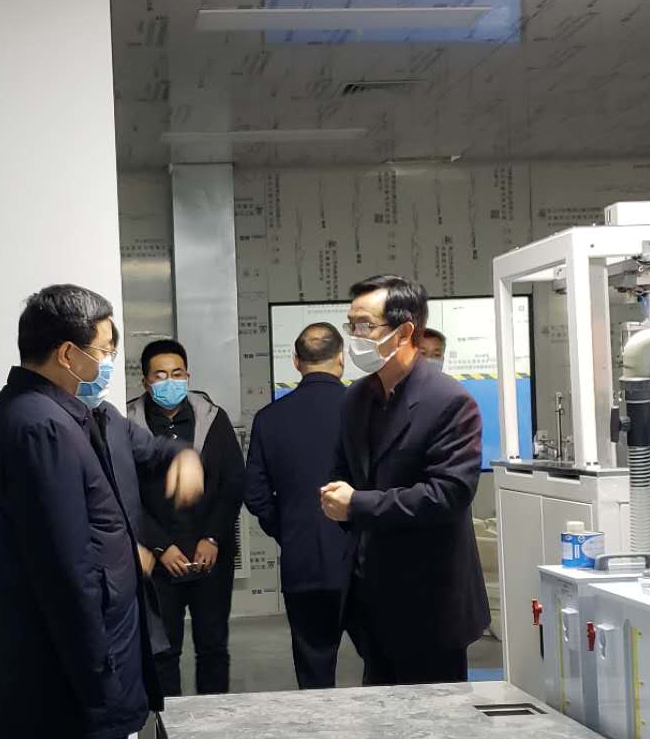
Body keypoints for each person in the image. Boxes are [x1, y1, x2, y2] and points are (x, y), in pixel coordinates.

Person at [0, 285, 202, 739]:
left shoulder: (74, 415)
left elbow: (145, 454)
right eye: (102, 350)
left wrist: (183, 454)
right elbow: (64, 567)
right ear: (67, 352)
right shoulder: (39, 426)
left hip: (86, 660)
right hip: (68, 671)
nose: (108, 363)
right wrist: (96, 673)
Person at [320, 275, 489, 685]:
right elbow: (343, 470)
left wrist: (356, 505)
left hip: (431, 602)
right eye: (350, 325)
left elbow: (447, 495)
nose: (354, 337)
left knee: (435, 720)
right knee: (379, 714)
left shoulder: (450, 402)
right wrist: (336, 497)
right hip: (370, 596)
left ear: (404, 332)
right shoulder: (355, 398)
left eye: (365, 325)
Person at [127, 340, 244, 696]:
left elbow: (232, 483)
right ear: (146, 381)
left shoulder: (212, 418)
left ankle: (214, 719)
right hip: (159, 561)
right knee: (163, 651)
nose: (170, 381)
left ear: (188, 376)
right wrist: (160, 546)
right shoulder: (128, 423)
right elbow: (126, 495)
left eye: (177, 373)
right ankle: (168, 723)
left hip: (209, 557)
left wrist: (213, 537)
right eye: (160, 375)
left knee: (213, 648)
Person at [244, 322, 351, 688]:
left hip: (301, 560)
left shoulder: (269, 418)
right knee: (382, 665)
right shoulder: (366, 410)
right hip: (363, 560)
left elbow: (255, 493)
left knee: (314, 669)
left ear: (295, 361)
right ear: (341, 358)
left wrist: (287, 529)